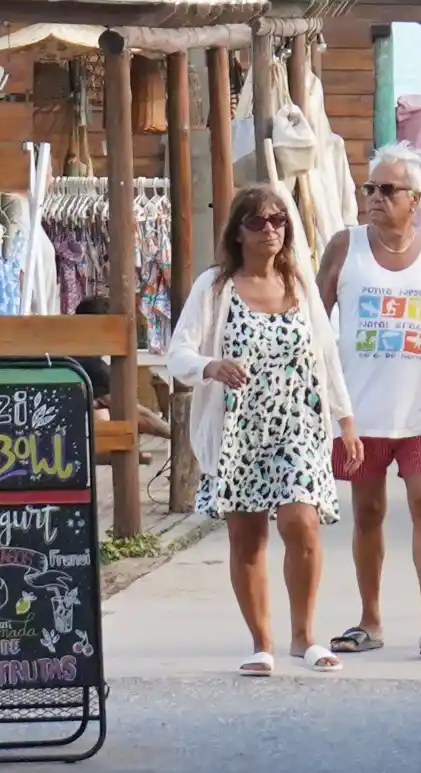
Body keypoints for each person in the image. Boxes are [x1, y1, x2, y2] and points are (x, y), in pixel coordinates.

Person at [167, 183, 363, 676]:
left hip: (297, 421)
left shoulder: (298, 282)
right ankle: (262, 642)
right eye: (257, 221)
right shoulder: (215, 287)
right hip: (239, 427)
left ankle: (305, 636)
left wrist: (346, 421)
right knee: (247, 536)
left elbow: (326, 355)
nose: (270, 230)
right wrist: (211, 366)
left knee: (303, 522)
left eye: (279, 221)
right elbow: (178, 353)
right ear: (237, 232)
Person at [319, 141, 421, 657]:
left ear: (416, 199)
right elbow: (315, 323)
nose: (375, 198)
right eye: (370, 188)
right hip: (359, 411)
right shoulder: (345, 247)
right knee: (368, 512)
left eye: (388, 190)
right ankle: (371, 620)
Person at [71, 295, 171, 452]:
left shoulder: (66, 356)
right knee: (110, 414)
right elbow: (130, 410)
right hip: (74, 444)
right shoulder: (95, 367)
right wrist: (173, 433)